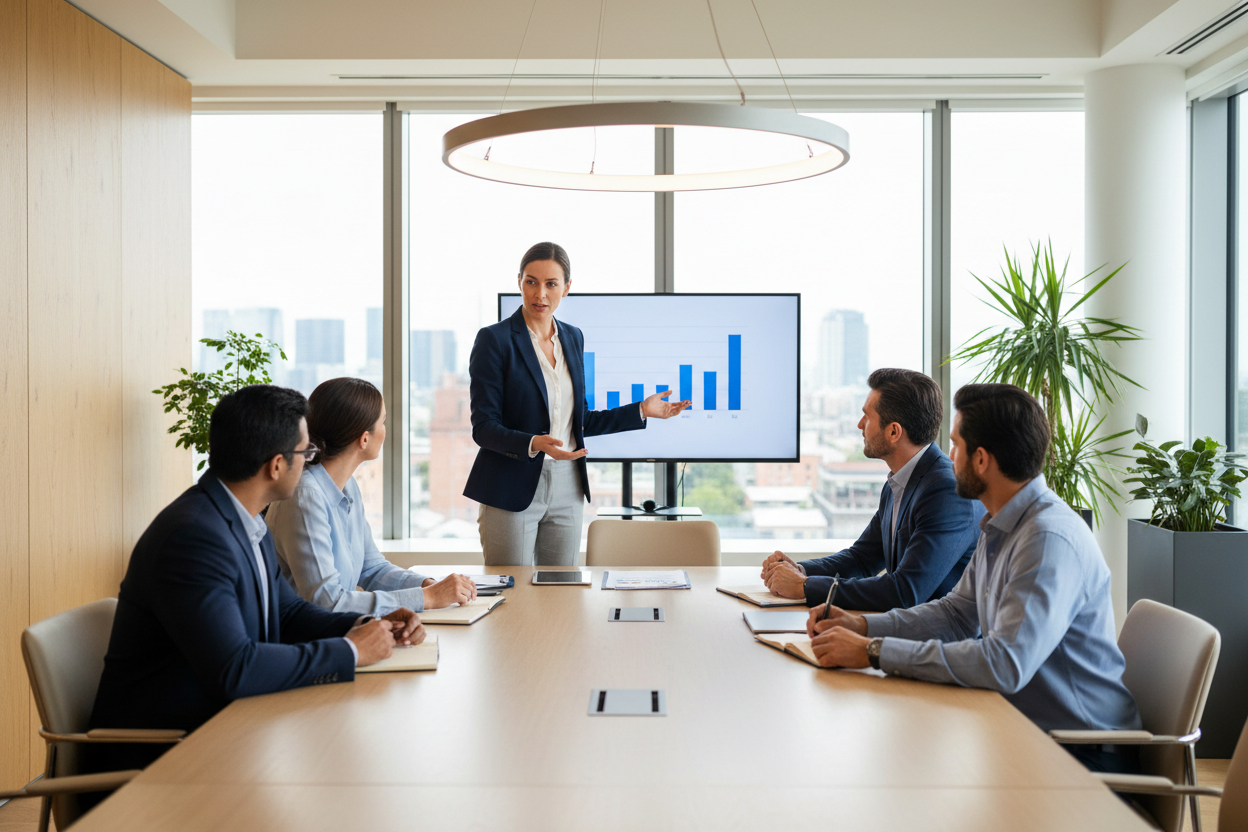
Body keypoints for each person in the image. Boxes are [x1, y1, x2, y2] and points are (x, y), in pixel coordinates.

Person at [86, 384, 423, 779]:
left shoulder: (244, 518)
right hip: (164, 760)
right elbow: (237, 668)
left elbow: (288, 610)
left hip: (232, 734)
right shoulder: (193, 536)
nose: (311, 462)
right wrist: (349, 651)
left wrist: (367, 627)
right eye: (306, 453)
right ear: (277, 465)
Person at [806, 383, 1142, 774]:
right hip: (1021, 727)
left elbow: (1004, 663)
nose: (949, 458)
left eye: (955, 446)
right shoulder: (1002, 523)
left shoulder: (1047, 539)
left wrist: (874, 650)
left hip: (1080, 753)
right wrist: (860, 624)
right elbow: (956, 616)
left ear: (981, 460)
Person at [465, 242, 690, 566]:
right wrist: (534, 443)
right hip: (511, 485)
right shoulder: (495, 340)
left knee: (561, 595)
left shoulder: (573, 337)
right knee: (512, 598)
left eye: (551, 284)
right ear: (519, 282)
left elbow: (580, 420)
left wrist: (642, 410)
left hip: (568, 484)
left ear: (567, 288)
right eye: (531, 281)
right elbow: (484, 428)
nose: (540, 293)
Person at [760, 368, 983, 612]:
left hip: (938, 643)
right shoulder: (899, 482)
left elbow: (905, 592)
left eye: (867, 416)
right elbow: (862, 558)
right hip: (903, 633)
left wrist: (805, 586)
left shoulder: (947, 491)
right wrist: (799, 570)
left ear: (894, 431)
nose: (859, 424)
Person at [267, 377, 477, 613]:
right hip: (305, 641)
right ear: (364, 438)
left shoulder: (347, 485)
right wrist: (426, 598)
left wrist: (427, 585)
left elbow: (372, 568)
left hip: (337, 632)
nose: (386, 430)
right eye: (383, 422)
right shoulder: (306, 495)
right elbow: (327, 601)